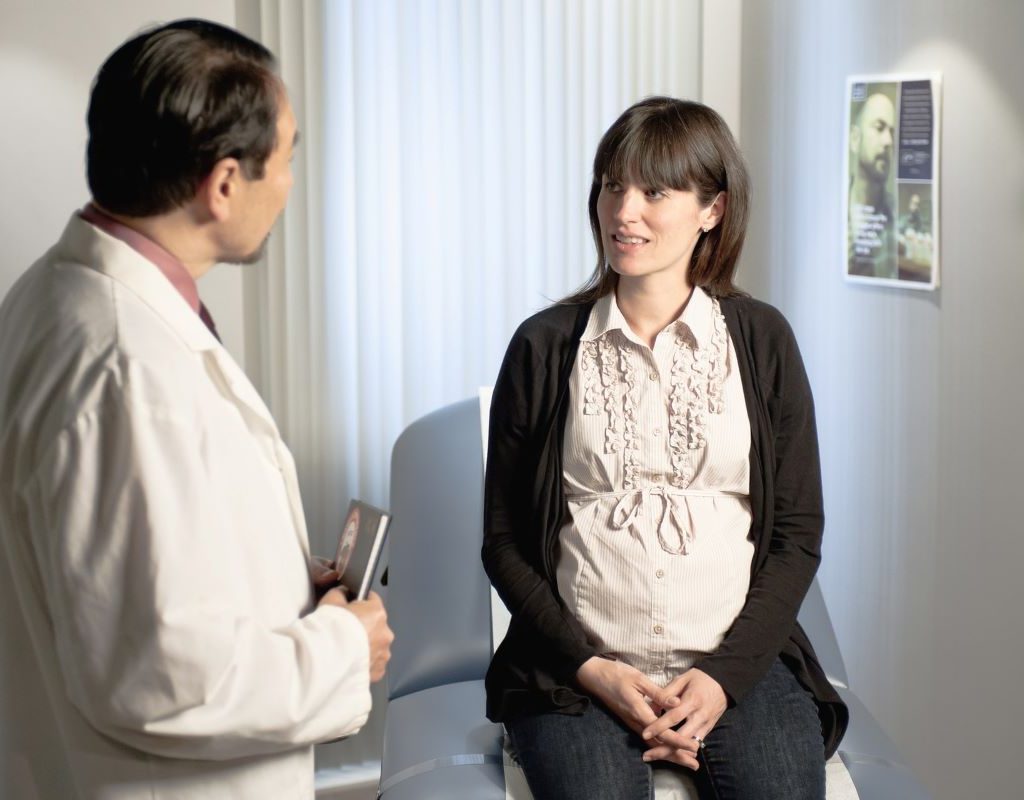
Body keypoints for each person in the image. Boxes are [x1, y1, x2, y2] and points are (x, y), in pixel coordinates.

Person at [0, 19, 393, 799]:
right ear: (222, 184)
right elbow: (158, 678)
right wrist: (344, 648)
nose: (287, 183)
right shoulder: (125, 371)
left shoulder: (53, 295)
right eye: (285, 159)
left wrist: (280, 579)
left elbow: (134, 570)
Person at [482, 97, 848, 800]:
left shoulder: (762, 340)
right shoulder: (544, 344)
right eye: (613, 185)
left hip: (735, 662)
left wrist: (722, 678)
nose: (624, 212)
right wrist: (592, 668)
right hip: (575, 668)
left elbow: (798, 535)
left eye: (654, 191)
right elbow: (503, 542)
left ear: (712, 208)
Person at [847, 91, 897, 278]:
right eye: (879, 127)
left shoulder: (896, 219)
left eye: (891, 132)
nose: (888, 141)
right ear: (854, 138)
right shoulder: (834, 215)